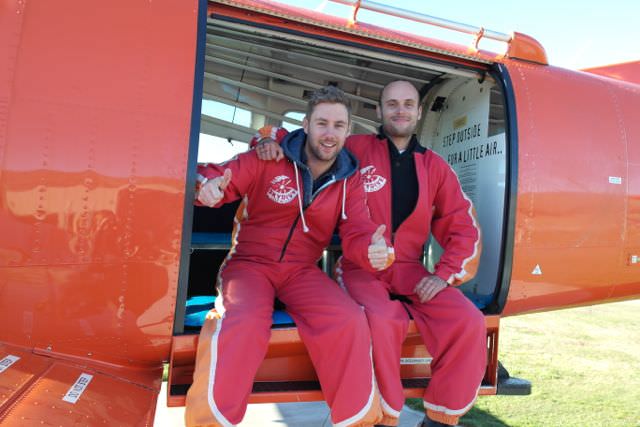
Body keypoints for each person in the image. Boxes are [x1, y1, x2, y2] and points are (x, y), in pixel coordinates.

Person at [252, 80, 485, 427]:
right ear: (378, 111)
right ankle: (385, 417)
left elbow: (462, 225)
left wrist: (442, 274)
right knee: (382, 320)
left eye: (408, 104)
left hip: (408, 268)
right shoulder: (354, 146)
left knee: (468, 321)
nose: (400, 110)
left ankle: (439, 419)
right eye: (391, 104)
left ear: (419, 112)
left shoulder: (436, 167)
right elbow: (289, 135)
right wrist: (267, 139)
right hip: (360, 266)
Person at [185, 85, 395, 427]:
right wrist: (206, 187)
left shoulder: (350, 178)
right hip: (249, 265)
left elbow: (357, 229)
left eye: (338, 126)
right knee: (244, 320)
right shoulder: (270, 157)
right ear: (307, 124)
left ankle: (356, 421)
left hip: (301, 271)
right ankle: (211, 423)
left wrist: (372, 249)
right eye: (322, 123)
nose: (330, 134)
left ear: (348, 131)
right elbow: (217, 174)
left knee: (349, 318)